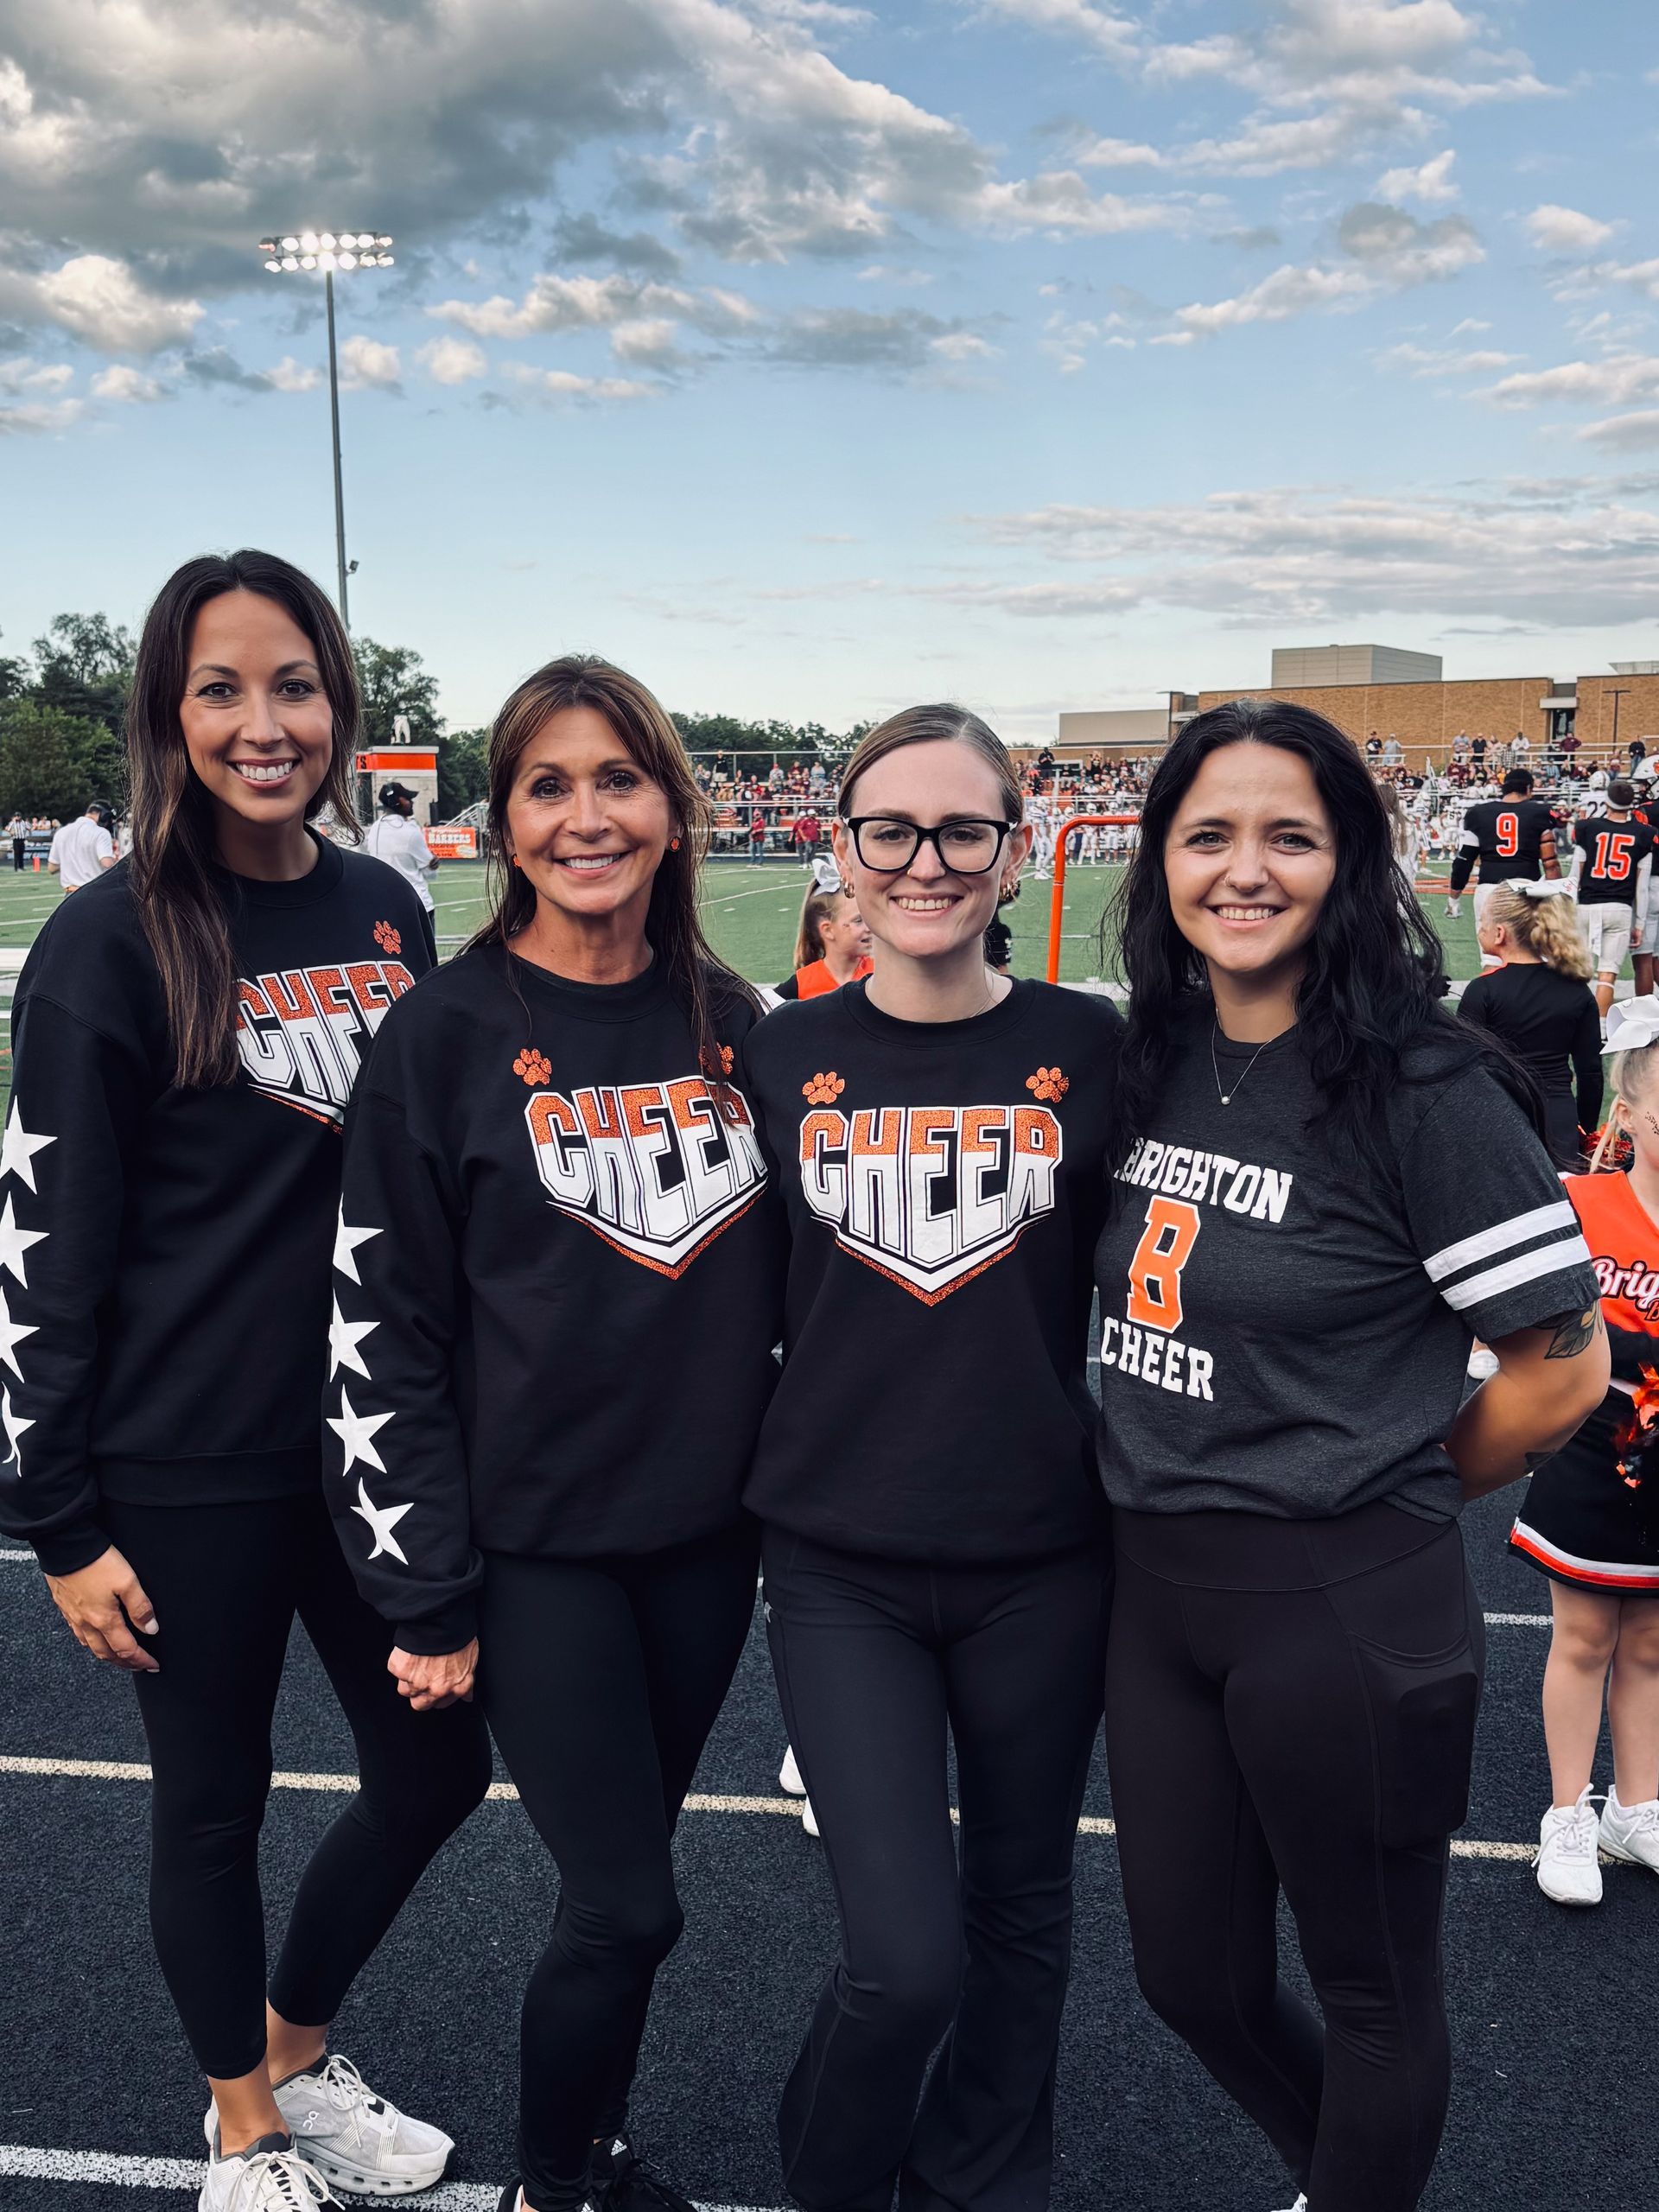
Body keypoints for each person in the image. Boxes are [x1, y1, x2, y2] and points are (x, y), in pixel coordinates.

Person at [0, 550, 491, 2212]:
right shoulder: (102, 941)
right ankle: (239, 2127)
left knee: (438, 1765)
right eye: (221, 687)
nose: (262, 721)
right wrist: (58, 1518)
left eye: (293, 684)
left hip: (365, 1452)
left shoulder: (386, 906)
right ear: (169, 710)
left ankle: (295, 2046)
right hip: (180, 1461)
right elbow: (44, 1248)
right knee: (213, 1797)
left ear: (340, 704)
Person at [1094, 697, 1607, 2212]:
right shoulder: (1158, 1052)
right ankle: (1350, 2179)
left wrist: (1393, 1483)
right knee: (1190, 1977)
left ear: (1353, 861)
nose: (1245, 870)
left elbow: (1562, 1368)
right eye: (1209, 835)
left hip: (1341, 1604)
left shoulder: (1423, 1086)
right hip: (1159, 1590)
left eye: (1290, 837)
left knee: (1374, 1993)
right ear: (1162, 860)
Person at [325, 655, 779, 2212]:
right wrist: (425, 1588)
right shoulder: (440, 1033)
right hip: (536, 1555)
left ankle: (587, 2149)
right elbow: (382, 1324)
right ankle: (547, 2182)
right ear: (504, 818)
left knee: (624, 1891)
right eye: (549, 784)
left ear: (671, 806)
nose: (588, 816)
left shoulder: (735, 1021)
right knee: (630, 1904)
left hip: (707, 1547)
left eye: (619, 779)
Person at [741, 704, 1121, 2212]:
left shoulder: (1093, 1048)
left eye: (964, 829)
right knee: (902, 1962)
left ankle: (984, 2178)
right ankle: (831, 2178)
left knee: (1024, 1910)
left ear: (1015, 854)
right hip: (843, 1564)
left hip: (1045, 1555)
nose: (927, 859)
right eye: (891, 828)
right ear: (840, 852)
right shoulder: (778, 1054)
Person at [1510, 995, 1659, 1904]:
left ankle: (1636, 1804)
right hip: (1590, 1443)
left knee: (1650, 1643)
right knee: (1583, 1636)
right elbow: (1533, 1321)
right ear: (1630, 1115)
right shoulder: (1578, 1203)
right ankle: (1567, 1812)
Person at [1459, 882, 1601, 1169]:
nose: (1479, 929)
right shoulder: (1577, 990)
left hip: (1502, 1121)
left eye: (1483, 922)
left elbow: (1461, 1072)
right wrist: (1584, 1132)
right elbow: (1591, 1076)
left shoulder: (1483, 990)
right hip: (1560, 1123)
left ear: (1500, 933)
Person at [1568, 777, 1655, 1017]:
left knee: (1579, 972)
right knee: (1607, 975)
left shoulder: (1587, 828)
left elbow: (1576, 872)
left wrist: (1569, 907)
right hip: (1620, 908)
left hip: (1586, 905)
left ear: (1607, 801)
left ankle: (1576, 1025)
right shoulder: (1644, 834)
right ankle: (1601, 1028)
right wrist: (1638, 924)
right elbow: (1642, 887)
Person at [1445, 767, 1561, 944]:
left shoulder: (1478, 814)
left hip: (1489, 889)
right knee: (1526, 953)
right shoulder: (1541, 813)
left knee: (1491, 958)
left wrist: (1454, 897)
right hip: (1526, 888)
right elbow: (1550, 864)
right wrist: (1556, 899)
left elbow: (1464, 860)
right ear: (1529, 789)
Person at [364, 778, 441, 962]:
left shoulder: (375, 828)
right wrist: (434, 864)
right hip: (417, 903)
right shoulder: (410, 831)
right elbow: (430, 873)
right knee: (426, 960)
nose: (411, 802)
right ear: (396, 801)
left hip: (386, 903)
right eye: (407, 798)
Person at [776, 879, 874, 1001]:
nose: (869, 927)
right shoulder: (801, 983)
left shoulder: (880, 974)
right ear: (828, 930)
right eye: (858, 921)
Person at [46, 798, 117, 891]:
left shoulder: (61, 832)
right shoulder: (101, 833)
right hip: (92, 892)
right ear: (103, 816)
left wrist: (73, 860)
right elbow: (107, 863)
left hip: (70, 894)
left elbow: (52, 868)